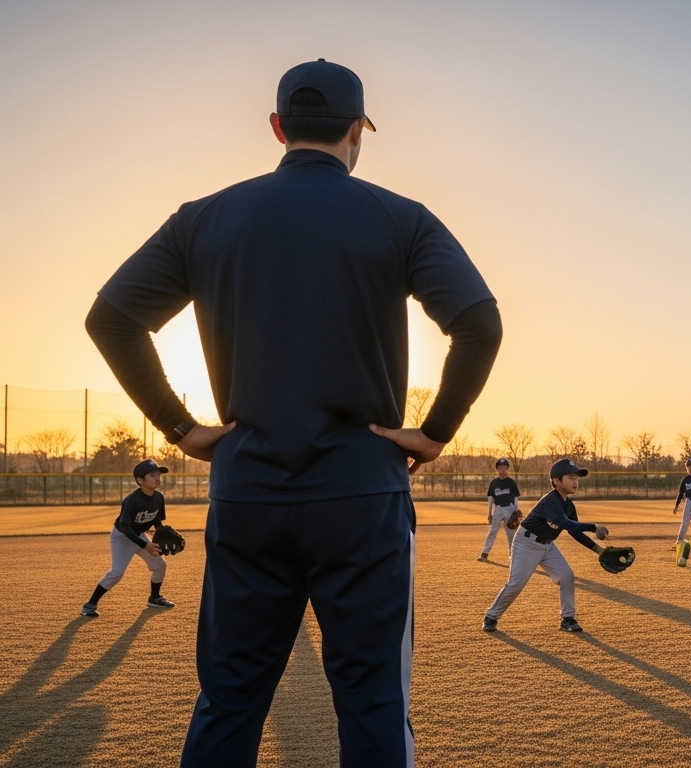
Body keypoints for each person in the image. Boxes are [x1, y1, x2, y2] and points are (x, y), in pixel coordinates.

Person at [87, 59, 503, 766]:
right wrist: (433, 434)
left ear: (278, 128)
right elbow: (479, 324)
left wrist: (181, 429)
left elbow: (113, 317)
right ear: (356, 131)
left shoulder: (203, 219)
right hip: (362, 496)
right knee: (373, 704)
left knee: (229, 700)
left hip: (248, 491)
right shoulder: (401, 217)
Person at [483, 459, 610, 633]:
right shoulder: (551, 501)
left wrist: (598, 550)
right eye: (571, 477)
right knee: (516, 584)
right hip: (526, 543)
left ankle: (568, 619)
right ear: (556, 481)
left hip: (547, 545)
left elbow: (574, 530)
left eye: (577, 477)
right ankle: (491, 616)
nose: (575, 481)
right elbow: (565, 523)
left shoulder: (568, 505)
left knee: (566, 576)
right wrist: (593, 527)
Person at [80, 459, 177, 617]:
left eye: (159, 475)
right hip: (122, 538)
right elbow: (125, 526)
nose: (157, 478)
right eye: (152, 475)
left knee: (159, 565)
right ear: (140, 480)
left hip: (138, 536)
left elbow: (155, 519)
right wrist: (145, 545)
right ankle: (89, 605)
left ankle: (154, 598)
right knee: (117, 572)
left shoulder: (159, 498)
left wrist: (161, 531)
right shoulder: (132, 500)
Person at [479, 458, 521, 562]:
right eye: (500, 468)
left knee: (510, 532)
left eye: (504, 468)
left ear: (507, 469)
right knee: (492, 531)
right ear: (497, 469)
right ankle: (484, 553)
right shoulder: (494, 483)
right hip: (498, 509)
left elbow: (515, 498)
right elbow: (491, 499)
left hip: (510, 508)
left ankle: (512, 554)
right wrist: (489, 513)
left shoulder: (511, 482)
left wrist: (516, 511)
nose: (502, 470)